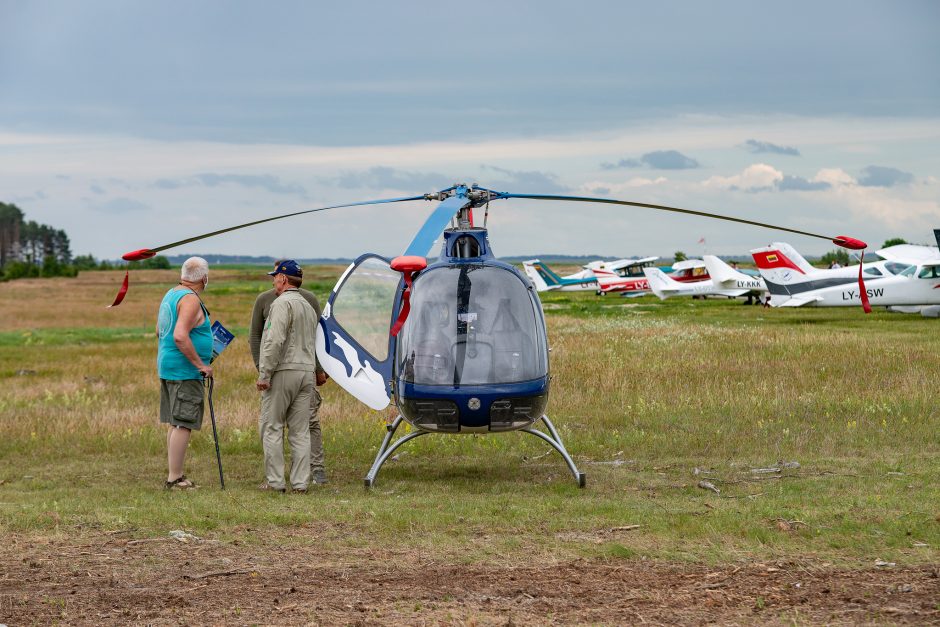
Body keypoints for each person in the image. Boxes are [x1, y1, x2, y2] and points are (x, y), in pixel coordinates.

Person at [250, 261, 330, 485]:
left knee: (272, 426)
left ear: (283, 279)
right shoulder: (307, 304)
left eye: (275, 277)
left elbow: (273, 341)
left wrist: (264, 374)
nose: (273, 280)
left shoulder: (281, 304)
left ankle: (275, 482)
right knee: (301, 430)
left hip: (284, 370)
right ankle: (301, 482)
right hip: (306, 373)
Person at [156, 256, 213, 490]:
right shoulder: (190, 299)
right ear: (204, 278)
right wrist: (201, 364)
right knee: (183, 423)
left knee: (175, 421)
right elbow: (180, 335)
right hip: (184, 370)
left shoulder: (171, 294)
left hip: (168, 365)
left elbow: (159, 330)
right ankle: (175, 478)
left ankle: (174, 474)